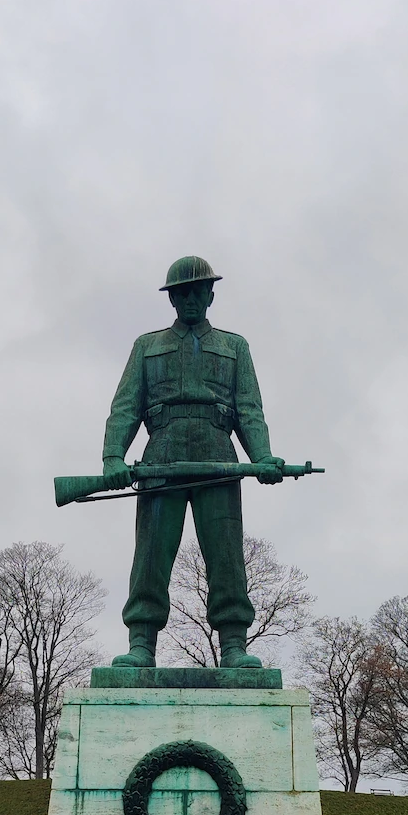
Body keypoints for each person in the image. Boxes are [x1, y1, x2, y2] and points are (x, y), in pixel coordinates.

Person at [103, 256, 285, 668]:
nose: (188, 298)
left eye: (196, 290)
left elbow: (249, 408)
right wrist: (113, 455)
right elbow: (126, 406)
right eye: (180, 292)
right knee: (151, 552)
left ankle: (234, 642)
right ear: (171, 299)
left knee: (226, 553)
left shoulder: (234, 346)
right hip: (161, 452)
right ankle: (141, 643)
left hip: (218, 454)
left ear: (210, 294)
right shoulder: (146, 346)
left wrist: (263, 457)